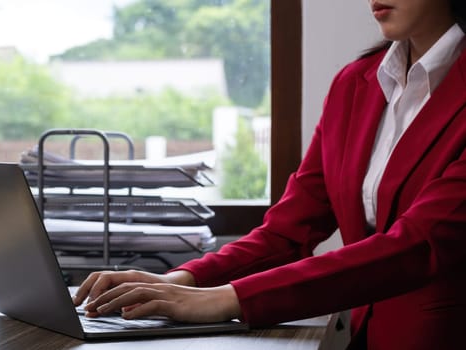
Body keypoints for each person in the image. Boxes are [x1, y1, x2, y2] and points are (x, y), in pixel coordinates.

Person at [72, 1, 466, 348]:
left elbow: (417, 245)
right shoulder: (355, 83)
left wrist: (228, 298)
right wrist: (182, 279)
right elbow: (287, 232)